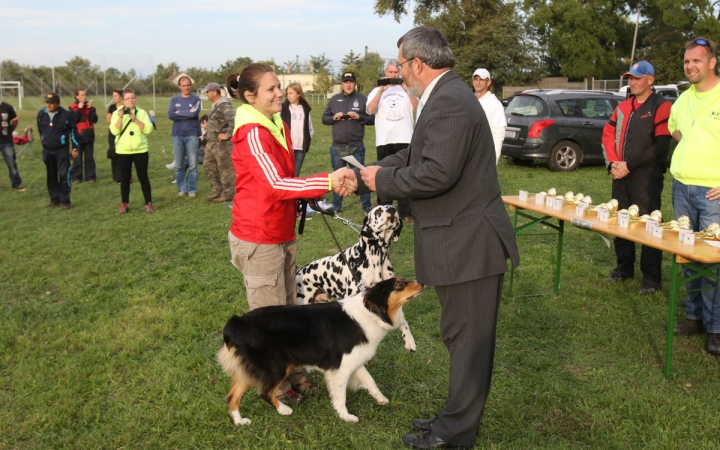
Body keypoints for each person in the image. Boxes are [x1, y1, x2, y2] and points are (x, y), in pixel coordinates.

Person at [357, 27, 519, 449]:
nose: (398, 73)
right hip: (461, 241)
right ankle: (453, 419)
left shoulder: (447, 99)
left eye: (401, 64)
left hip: (470, 244)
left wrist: (381, 178)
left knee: (468, 343)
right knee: (461, 337)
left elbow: (437, 173)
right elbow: (415, 156)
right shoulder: (446, 95)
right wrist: (367, 175)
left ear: (418, 63)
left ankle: (455, 434)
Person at [225, 64, 357, 404]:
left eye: (278, 87)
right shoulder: (252, 132)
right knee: (271, 318)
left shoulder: (274, 122)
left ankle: (294, 372)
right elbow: (275, 184)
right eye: (270, 90)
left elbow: (288, 177)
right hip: (259, 236)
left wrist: (315, 188)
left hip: (280, 229)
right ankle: (275, 387)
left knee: (290, 309)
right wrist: (327, 180)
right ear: (250, 96)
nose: (278, 93)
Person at [668, 37, 720, 355]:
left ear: (712, 62)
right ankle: (695, 317)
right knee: (687, 257)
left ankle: (716, 327)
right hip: (681, 188)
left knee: (712, 262)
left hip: (712, 192)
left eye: (697, 61)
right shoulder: (683, 98)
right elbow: (675, 127)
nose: (690, 66)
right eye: (687, 62)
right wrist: (691, 143)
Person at [601, 61, 671, 295]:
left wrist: (629, 165)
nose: (632, 82)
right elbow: (608, 134)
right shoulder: (622, 107)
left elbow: (661, 145)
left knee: (649, 224)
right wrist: (613, 164)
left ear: (650, 80)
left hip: (647, 174)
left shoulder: (661, 105)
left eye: (637, 78)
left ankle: (651, 279)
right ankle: (623, 269)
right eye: (630, 78)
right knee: (621, 220)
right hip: (620, 172)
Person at [366, 59, 417, 223]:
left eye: (396, 72)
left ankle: (406, 211)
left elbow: (417, 107)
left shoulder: (409, 89)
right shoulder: (376, 91)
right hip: (385, 139)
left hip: (405, 138)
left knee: (405, 174)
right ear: (385, 73)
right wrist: (381, 91)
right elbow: (370, 110)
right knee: (384, 174)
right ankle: (385, 209)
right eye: (391, 72)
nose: (394, 75)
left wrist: (407, 90)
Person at [321, 71, 374, 214]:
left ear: (355, 84)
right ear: (342, 84)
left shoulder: (363, 99)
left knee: (361, 176)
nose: (348, 84)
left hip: (356, 146)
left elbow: (372, 119)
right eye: (346, 82)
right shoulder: (334, 100)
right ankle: (336, 206)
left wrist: (360, 117)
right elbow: (324, 119)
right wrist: (333, 118)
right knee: (338, 177)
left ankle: (367, 206)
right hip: (338, 147)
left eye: (351, 82)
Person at [109, 89, 154, 213]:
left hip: (141, 150)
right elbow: (114, 131)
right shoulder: (115, 114)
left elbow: (148, 129)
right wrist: (120, 117)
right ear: (123, 100)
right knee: (125, 177)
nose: (131, 100)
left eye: (133, 98)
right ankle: (124, 203)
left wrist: (135, 119)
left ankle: (148, 203)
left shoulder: (142, 113)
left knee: (143, 176)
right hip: (123, 151)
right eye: (128, 98)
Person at [37, 93, 75, 210]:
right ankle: (54, 199)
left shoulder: (66, 115)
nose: (48, 105)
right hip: (47, 151)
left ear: (58, 104)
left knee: (64, 175)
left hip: (61, 150)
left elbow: (73, 132)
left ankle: (65, 200)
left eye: (51, 103)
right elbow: (40, 130)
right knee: (51, 175)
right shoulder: (41, 114)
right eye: (47, 102)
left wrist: (74, 148)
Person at [168, 76, 201, 197]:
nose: (186, 87)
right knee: (179, 164)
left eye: (188, 85)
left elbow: (194, 113)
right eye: (184, 85)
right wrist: (187, 112)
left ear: (190, 86)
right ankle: (182, 188)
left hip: (192, 134)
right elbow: (171, 115)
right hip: (177, 135)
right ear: (179, 87)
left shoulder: (196, 99)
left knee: (193, 164)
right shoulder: (174, 100)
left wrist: (180, 112)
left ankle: (192, 189)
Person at [204, 82, 235, 202]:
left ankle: (228, 193)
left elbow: (233, 119)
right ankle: (216, 190)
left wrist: (228, 134)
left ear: (214, 92)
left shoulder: (224, 104)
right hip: (211, 142)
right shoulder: (214, 104)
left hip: (221, 144)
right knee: (209, 166)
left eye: (208, 91)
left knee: (225, 168)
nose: (206, 94)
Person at [472, 68, 506, 164]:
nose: (478, 82)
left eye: (482, 79)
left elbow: (498, 134)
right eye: (476, 79)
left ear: (488, 82)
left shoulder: (495, 104)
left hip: (484, 155)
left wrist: (493, 160)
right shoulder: (469, 101)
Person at [280, 82, 314, 177]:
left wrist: (306, 141)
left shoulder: (305, 110)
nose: (288, 96)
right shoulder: (283, 109)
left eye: (291, 93)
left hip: (299, 148)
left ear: (298, 94)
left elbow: (310, 129)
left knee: (295, 175)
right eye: (287, 93)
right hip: (286, 148)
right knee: (284, 174)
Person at [69, 88, 98, 183]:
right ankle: (76, 177)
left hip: (89, 135)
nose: (84, 97)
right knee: (77, 158)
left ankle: (90, 177)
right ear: (76, 96)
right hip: (77, 136)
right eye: (81, 95)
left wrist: (91, 109)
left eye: (85, 95)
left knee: (89, 157)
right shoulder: (72, 107)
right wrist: (79, 109)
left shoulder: (91, 108)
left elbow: (95, 120)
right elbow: (72, 120)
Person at [0, 100, 25, 192]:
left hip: (6, 140)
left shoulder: (7, 107)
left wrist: (9, 131)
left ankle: (16, 184)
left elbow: (15, 120)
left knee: (11, 164)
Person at [107, 88, 124, 184]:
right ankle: (116, 178)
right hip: (112, 133)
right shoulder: (112, 107)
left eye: (116, 96)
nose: (114, 98)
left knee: (124, 156)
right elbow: (107, 120)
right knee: (114, 154)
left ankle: (126, 177)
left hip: (123, 133)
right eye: (113, 96)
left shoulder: (125, 107)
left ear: (121, 97)